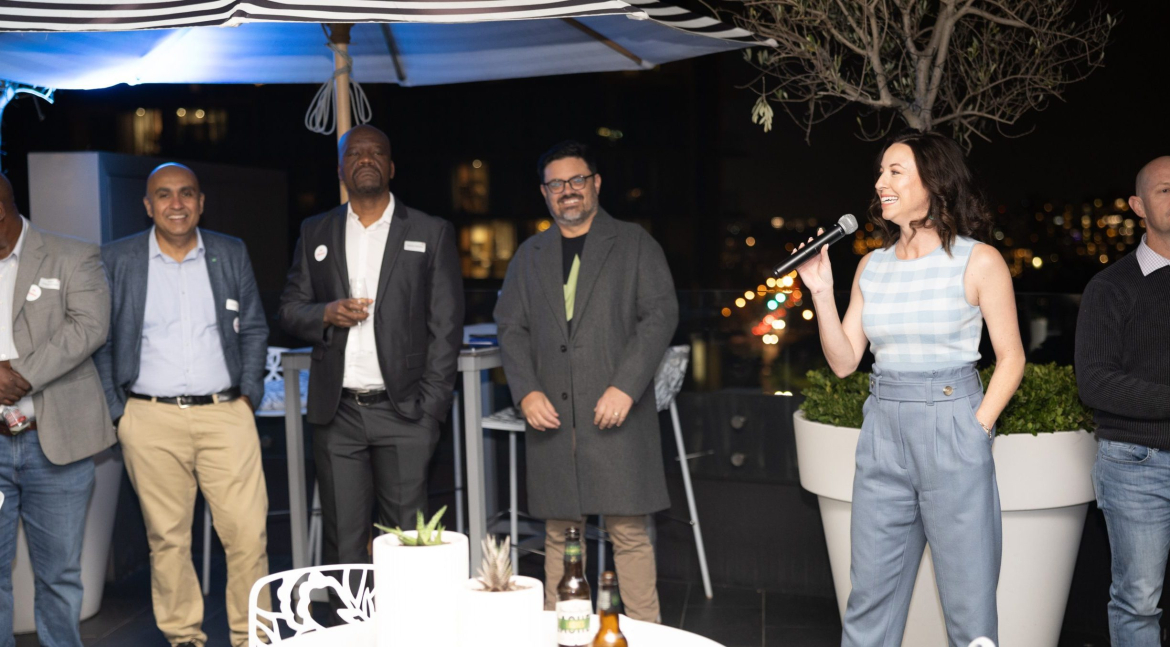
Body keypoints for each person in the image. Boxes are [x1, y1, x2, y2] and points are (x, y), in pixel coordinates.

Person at [793, 130, 1024, 646]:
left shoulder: (979, 260)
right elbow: (845, 362)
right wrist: (822, 292)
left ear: (934, 181)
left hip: (953, 423)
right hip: (883, 428)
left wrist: (977, 429)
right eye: (880, 172)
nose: (881, 182)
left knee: (968, 604)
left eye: (895, 171)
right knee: (869, 598)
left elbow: (1011, 358)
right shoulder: (871, 266)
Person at [494, 140, 678, 622]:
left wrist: (626, 386)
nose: (568, 190)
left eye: (577, 180)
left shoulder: (634, 243)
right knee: (560, 533)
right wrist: (526, 391)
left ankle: (644, 636)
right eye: (556, 183)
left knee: (629, 534)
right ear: (544, 193)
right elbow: (510, 328)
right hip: (552, 415)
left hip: (616, 411)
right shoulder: (529, 255)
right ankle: (562, 631)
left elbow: (660, 316)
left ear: (596, 183)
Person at [94, 163, 270, 647]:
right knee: (168, 540)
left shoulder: (230, 252)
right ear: (148, 205)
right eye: (164, 194)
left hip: (226, 414)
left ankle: (253, 637)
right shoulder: (118, 258)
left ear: (201, 202)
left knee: (248, 535)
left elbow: (254, 327)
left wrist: (248, 396)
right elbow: (101, 343)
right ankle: (184, 638)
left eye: (187, 193)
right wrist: (120, 414)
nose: (177, 203)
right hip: (149, 418)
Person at [278, 124, 464, 570]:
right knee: (343, 545)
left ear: (391, 166)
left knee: (408, 547)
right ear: (341, 169)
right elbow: (289, 310)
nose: (365, 159)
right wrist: (326, 313)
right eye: (354, 153)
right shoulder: (315, 230)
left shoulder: (430, 231)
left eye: (375, 152)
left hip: (406, 412)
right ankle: (348, 617)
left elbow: (446, 327)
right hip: (337, 412)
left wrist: (430, 410)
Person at [0, 171, 114, 647]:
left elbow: (90, 327)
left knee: (60, 575)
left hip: (56, 444)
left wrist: (19, 375)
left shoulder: (73, 255)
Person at [1076, 156, 1170, 647]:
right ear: (1138, 206)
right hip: (1138, 464)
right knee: (1138, 601)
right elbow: (1095, 383)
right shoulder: (1111, 287)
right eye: (1165, 190)